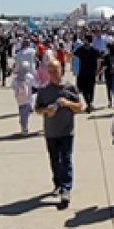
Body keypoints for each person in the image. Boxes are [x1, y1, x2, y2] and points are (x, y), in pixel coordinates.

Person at [33, 59, 84, 206]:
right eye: (50, 72)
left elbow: (79, 107)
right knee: (55, 160)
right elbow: (37, 109)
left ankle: (66, 189)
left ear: (61, 70)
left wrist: (67, 103)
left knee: (66, 160)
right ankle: (58, 183)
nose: (53, 74)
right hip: (51, 132)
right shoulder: (44, 90)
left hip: (67, 131)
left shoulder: (70, 88)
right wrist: (45, 110)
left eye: (56, 71)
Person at [73, 36, 102, 112]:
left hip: (83, 72)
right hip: (91, 72)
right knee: (91, 88)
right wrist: (98, 69)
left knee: (83, 88)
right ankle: (90, 104)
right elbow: (99, 59)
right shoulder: (94, 49)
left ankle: (88, 104)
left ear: (86, 40)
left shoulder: (81, 49)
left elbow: (73, 54)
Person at [12, 65, 34, 135]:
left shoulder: (16, 78)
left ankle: (23, 124)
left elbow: (13, 86)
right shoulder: (29, 77)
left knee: (22, 111)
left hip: (19, 99)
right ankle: (24, 126)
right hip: (28, 98)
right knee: (26, 113)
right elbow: (36, 84)